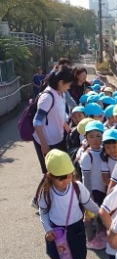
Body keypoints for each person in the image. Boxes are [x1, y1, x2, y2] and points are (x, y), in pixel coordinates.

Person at [38, 149, 100, 259]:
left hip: (76, 230)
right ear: (50, 176)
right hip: (55, 233)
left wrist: (104, 214)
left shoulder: (77, 187)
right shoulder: (46, 192)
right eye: (61, 178)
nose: (67, 180)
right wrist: (47, 229)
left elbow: (90, 204)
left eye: (70, 175)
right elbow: (43, 213)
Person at [31, 66, 74, 208]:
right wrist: (44, 144)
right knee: (49, 173)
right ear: (61, 82)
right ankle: (38, 200)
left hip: (57, 139)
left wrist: (70, 129)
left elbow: (58, 116)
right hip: (46, 140)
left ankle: (49, 200)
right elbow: (37, 122)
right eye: (68, 84)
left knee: (58, 170)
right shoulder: (47, 96)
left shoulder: (59, 94)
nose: (68, 87)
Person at [79, 121, 107, 250]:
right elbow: (86, 178)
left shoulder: (104, 151)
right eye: (91, 137)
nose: (95, 140)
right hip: (92, 190)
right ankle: (89, 239)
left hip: (103, 189)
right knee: (89, 214)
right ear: (86, 138)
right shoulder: (87, 155)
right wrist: (88, 196)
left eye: (98, 136)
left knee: (100, 212)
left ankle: (100, 232)